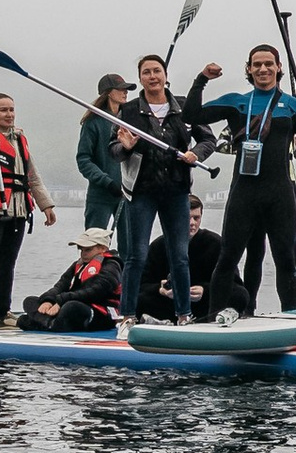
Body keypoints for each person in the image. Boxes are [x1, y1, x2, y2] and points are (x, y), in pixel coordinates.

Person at [189, 47, 296, 317]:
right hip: (244, 193)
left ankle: (292, 317)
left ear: (278, 68)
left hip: (281, 194)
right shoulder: (237, 102)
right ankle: (214, 318)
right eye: (257, 65)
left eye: (268, 64)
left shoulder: (293, 105)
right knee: (228, 258)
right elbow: (190, 116)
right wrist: (201, 79)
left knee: (286, 259)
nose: (263, 69)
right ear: (249, 70)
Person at [113, 55, 208, 322]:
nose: (152, 76)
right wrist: (126, 147)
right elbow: (114, 150)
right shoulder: (129, 111)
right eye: (146, 72)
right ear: (140, 78)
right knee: (136, 255)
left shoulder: (184, 107)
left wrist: (196, 154)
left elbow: (207, 139)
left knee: (179, 256)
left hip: (176, 191)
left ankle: (183, 315)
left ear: (165, 75)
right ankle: (127, 316)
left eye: (157, 71)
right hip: (141, 191)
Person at [0, 91, 54, 327]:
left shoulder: (18, 139)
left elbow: (32, 176)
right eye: (3, 110)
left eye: (11, 110)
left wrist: (46, 205)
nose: (9, 114)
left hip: (17, 211)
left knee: (7, 263)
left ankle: (4, 312)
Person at [137, 196, 221, 320]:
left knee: (240, 296)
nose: (192, 223)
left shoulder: (214, 243)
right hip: (168, 303)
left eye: (196, 218)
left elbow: (232, 282)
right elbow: (142, 284)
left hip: (203, 303)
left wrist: (205, 290)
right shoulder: (158, 246)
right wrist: (160, 289)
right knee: (137, 299)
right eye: (186, 218)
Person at [20, 229, 119, 332]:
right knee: (30, 301)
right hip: (71, 302)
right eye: (81, 250)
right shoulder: (77, 265)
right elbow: (60, 286)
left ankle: (44, 323)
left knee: (71, 307)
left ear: (103, 248)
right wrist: (48, 300)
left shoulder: (111, 265)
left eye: (88, 250)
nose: (83, 254)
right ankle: (52, 324)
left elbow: (97, 291)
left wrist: (62, 300)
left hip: (100, 311)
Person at [75, 76, 129, 233]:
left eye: (126, 89)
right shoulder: (93, 122)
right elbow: (83, 160)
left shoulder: (132, 120)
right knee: (94, 244)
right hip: (100, 195)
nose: (125, 92)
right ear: (109, 93)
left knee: (130, 250)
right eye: (121, 89)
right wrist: (107, 182)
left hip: (128, 195)